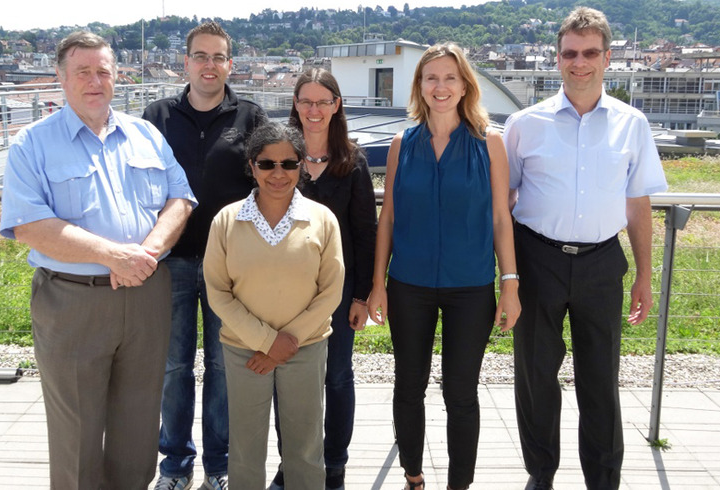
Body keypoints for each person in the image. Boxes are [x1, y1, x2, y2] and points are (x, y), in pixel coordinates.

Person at [0, 31, 196, 488]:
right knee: (77, 435)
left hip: (146, 295)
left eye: (103, 71)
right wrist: (114, 256)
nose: (94, 81)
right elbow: (28, 224)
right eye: (82, 71)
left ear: (116, 76)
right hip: (72, 303)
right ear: (60, 78)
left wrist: (143, 255)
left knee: (139, 424)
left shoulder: (144, 134)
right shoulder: (33, 143)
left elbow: (180, 199)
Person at [503, 7, 668, 490]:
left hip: (601, 262)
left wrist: (643, 274)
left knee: (601, 380)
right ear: (557, 59)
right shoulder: (524, 124)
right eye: (571, 53)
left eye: (590, 53)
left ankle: (603, 480)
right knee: (535, 378)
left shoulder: (631, 123)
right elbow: (504, 204)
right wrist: (507, 275)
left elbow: (638, 203)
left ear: (607, 57)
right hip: (536, 260)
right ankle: (541, 475)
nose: (580, 62)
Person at [367, 43, 521, 490]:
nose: (440, 86)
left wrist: (509, 284)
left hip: (471, 287)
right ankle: (413, 476)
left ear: (465, 85)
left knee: (460, 392)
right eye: (431, 77)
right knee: (408, 386)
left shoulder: (489, 143)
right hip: (408, 284)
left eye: (450, 77)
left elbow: (499, 218)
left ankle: (459, 484)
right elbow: (389, 218)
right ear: (419, 85)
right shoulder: (402, 143)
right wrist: (378, 284)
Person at [142, 20, 266, 490]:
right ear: (186, 62)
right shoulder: (157, 116)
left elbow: (272, 180)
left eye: (218, 57)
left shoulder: (250, 117)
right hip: (168, 261)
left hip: (228, 266)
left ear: (229, 64)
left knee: (222, 365)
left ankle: (219, 464)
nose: (209, 65)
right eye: (200, 56)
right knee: (173, 367)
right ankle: (174, 464)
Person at [204, 121, 344, 490]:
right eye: (266, 164)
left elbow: (330, 291)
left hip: (306, 348)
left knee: (305, 447)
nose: (278, 173)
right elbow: (218, 292)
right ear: (251, 166)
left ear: (302, 165)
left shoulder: (322, 219)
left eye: (289, 163)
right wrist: (267, 342)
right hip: (243, 351)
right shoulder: (226, 221)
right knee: (246, 450)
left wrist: (285, 344)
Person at [268, 68, 377, 490]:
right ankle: (293, 462)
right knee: (288, 379)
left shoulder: (353, 162)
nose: (314, 110)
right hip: (283, 292)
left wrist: (362, 296)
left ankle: (334, 464)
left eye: (322, 101)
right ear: (295, 104)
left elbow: (365, 232)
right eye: (305, 101)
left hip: (337, 292)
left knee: (336, 376)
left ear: (337, 106)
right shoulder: (278, 155)